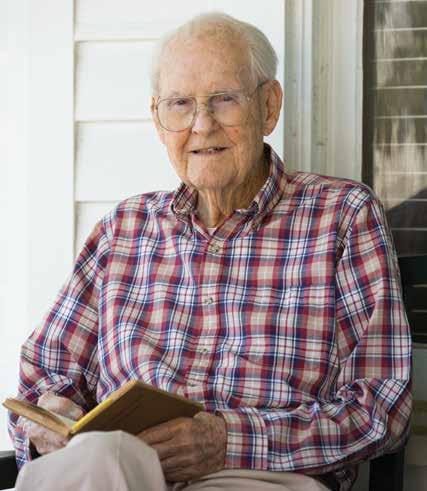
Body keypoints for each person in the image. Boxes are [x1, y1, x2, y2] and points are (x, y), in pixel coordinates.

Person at [8, 12, 411, 491]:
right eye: (180, 104)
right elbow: (43, 376)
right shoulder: (123, 230)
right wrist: (48, 422)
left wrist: (227, 440)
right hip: (114, 472)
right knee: (97, 457)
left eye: (224, 99)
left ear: (269, 106)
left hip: (257, 476)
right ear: (158, 119)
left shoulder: (341, 216)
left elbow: (381, 407)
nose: (202, 125)